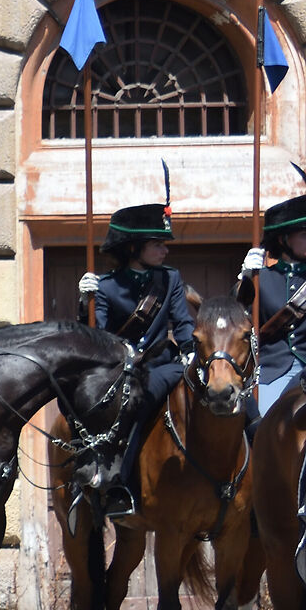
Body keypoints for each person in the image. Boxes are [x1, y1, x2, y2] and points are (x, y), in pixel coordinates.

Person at [80, 195, 195, 518]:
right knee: (128, 403)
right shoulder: (105, 287)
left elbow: (182, 322)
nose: (165, 250)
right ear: (134, 248)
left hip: (164, 365)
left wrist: (189, 351)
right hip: (122, 371)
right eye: (157, 244)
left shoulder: (169, 278)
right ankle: (117, 482)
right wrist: (84, 301)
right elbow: (97, 336)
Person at [237, 193, 306, 417]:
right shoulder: (260, 279)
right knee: (260, 423)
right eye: (304, 235)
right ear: (283, 239)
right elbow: (233, 317)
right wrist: (245, 279)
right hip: (273, 371)